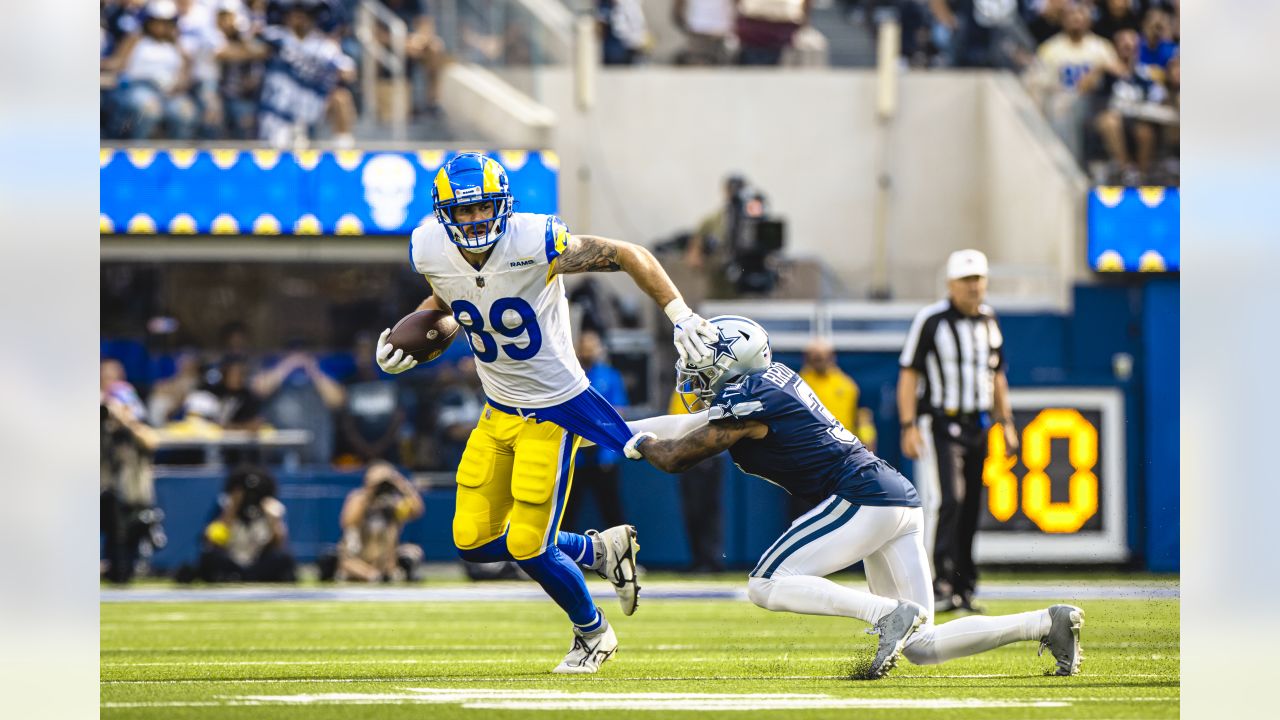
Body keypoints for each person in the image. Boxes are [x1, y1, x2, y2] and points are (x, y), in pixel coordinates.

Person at [375, 151, 719, 673]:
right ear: (443, 214)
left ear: (503, 206)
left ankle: (593, 634)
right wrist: (414, 333)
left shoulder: (536, 242)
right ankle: (597, 551)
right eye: (461, 212)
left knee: (529, 545)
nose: (472, 221)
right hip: (497, 412)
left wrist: (680, 314)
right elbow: (447, 301)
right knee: (474, 541)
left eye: (482, 209)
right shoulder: (429, 248)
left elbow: (628, 253)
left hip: (555, 409)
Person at [621, 315, 1083, 680]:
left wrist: (635, 445)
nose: (695, 377)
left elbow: (676, 456)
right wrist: (604, 430)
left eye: (706, 368)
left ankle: (884, 614)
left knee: (766, 583)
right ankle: (1046, 623)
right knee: (923, 643)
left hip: (860, 495)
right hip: (894, 496)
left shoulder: (751, 398)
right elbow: (678, 426)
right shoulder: (768, 383)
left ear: (734, 365)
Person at [897, 250, 1017, 613]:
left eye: (978, 279)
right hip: (943, 422)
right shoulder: (931, 320)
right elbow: (909, 373)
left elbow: (997, 375)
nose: (973, 287)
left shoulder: (989, 320)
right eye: (966, 280)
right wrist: (908, 425)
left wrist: (1006, 421)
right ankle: (941, 583)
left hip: (978, 424)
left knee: (971, 506)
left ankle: (965, 586)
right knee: (951, 499)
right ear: (951, 285)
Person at [101, 359, 165, 583]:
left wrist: (125, 420)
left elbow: (152, 441)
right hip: (101, 489)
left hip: (128, 494)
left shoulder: (126, 399)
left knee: (122, 567)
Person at [563, 330, 630, 531]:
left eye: (592, 346)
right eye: (584, 346)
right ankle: (564, 557)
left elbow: (618, 412)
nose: (587, 351)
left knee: (612, 511)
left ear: (600, 349)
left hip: (604, 454)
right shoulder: (569, 376)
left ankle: (624, 556)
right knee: (567, 512)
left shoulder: (610, 376)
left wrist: (591, 423)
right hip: (576, 456)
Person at [320, 462, 425, 582]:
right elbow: (348, 522)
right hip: (359, 554)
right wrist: (370, 493)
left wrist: (403, 486)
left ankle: (384, 573)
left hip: (385, 555)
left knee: (412, 552)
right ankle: (373, 575)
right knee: (341, 559)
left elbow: (417, 511)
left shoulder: (393, 503)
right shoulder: (358, 498)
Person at [194, 465, 297, 582]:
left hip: (259, 562)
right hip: (231, 560)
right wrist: (230, 511)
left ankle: (254, 576)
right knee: (209, 557)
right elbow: (210, 541)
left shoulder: (273, 508)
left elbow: (280, 546)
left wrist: (274, 521)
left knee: (284, 558)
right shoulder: (224, 506)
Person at [667, 388, 724, 573]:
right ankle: (698, 558)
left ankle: (712, 558)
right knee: (692, 509)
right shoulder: (682, 389)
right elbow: (674, 422)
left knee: (710, 508)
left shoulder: (714, 387)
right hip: (686, 452)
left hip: (710, 452)